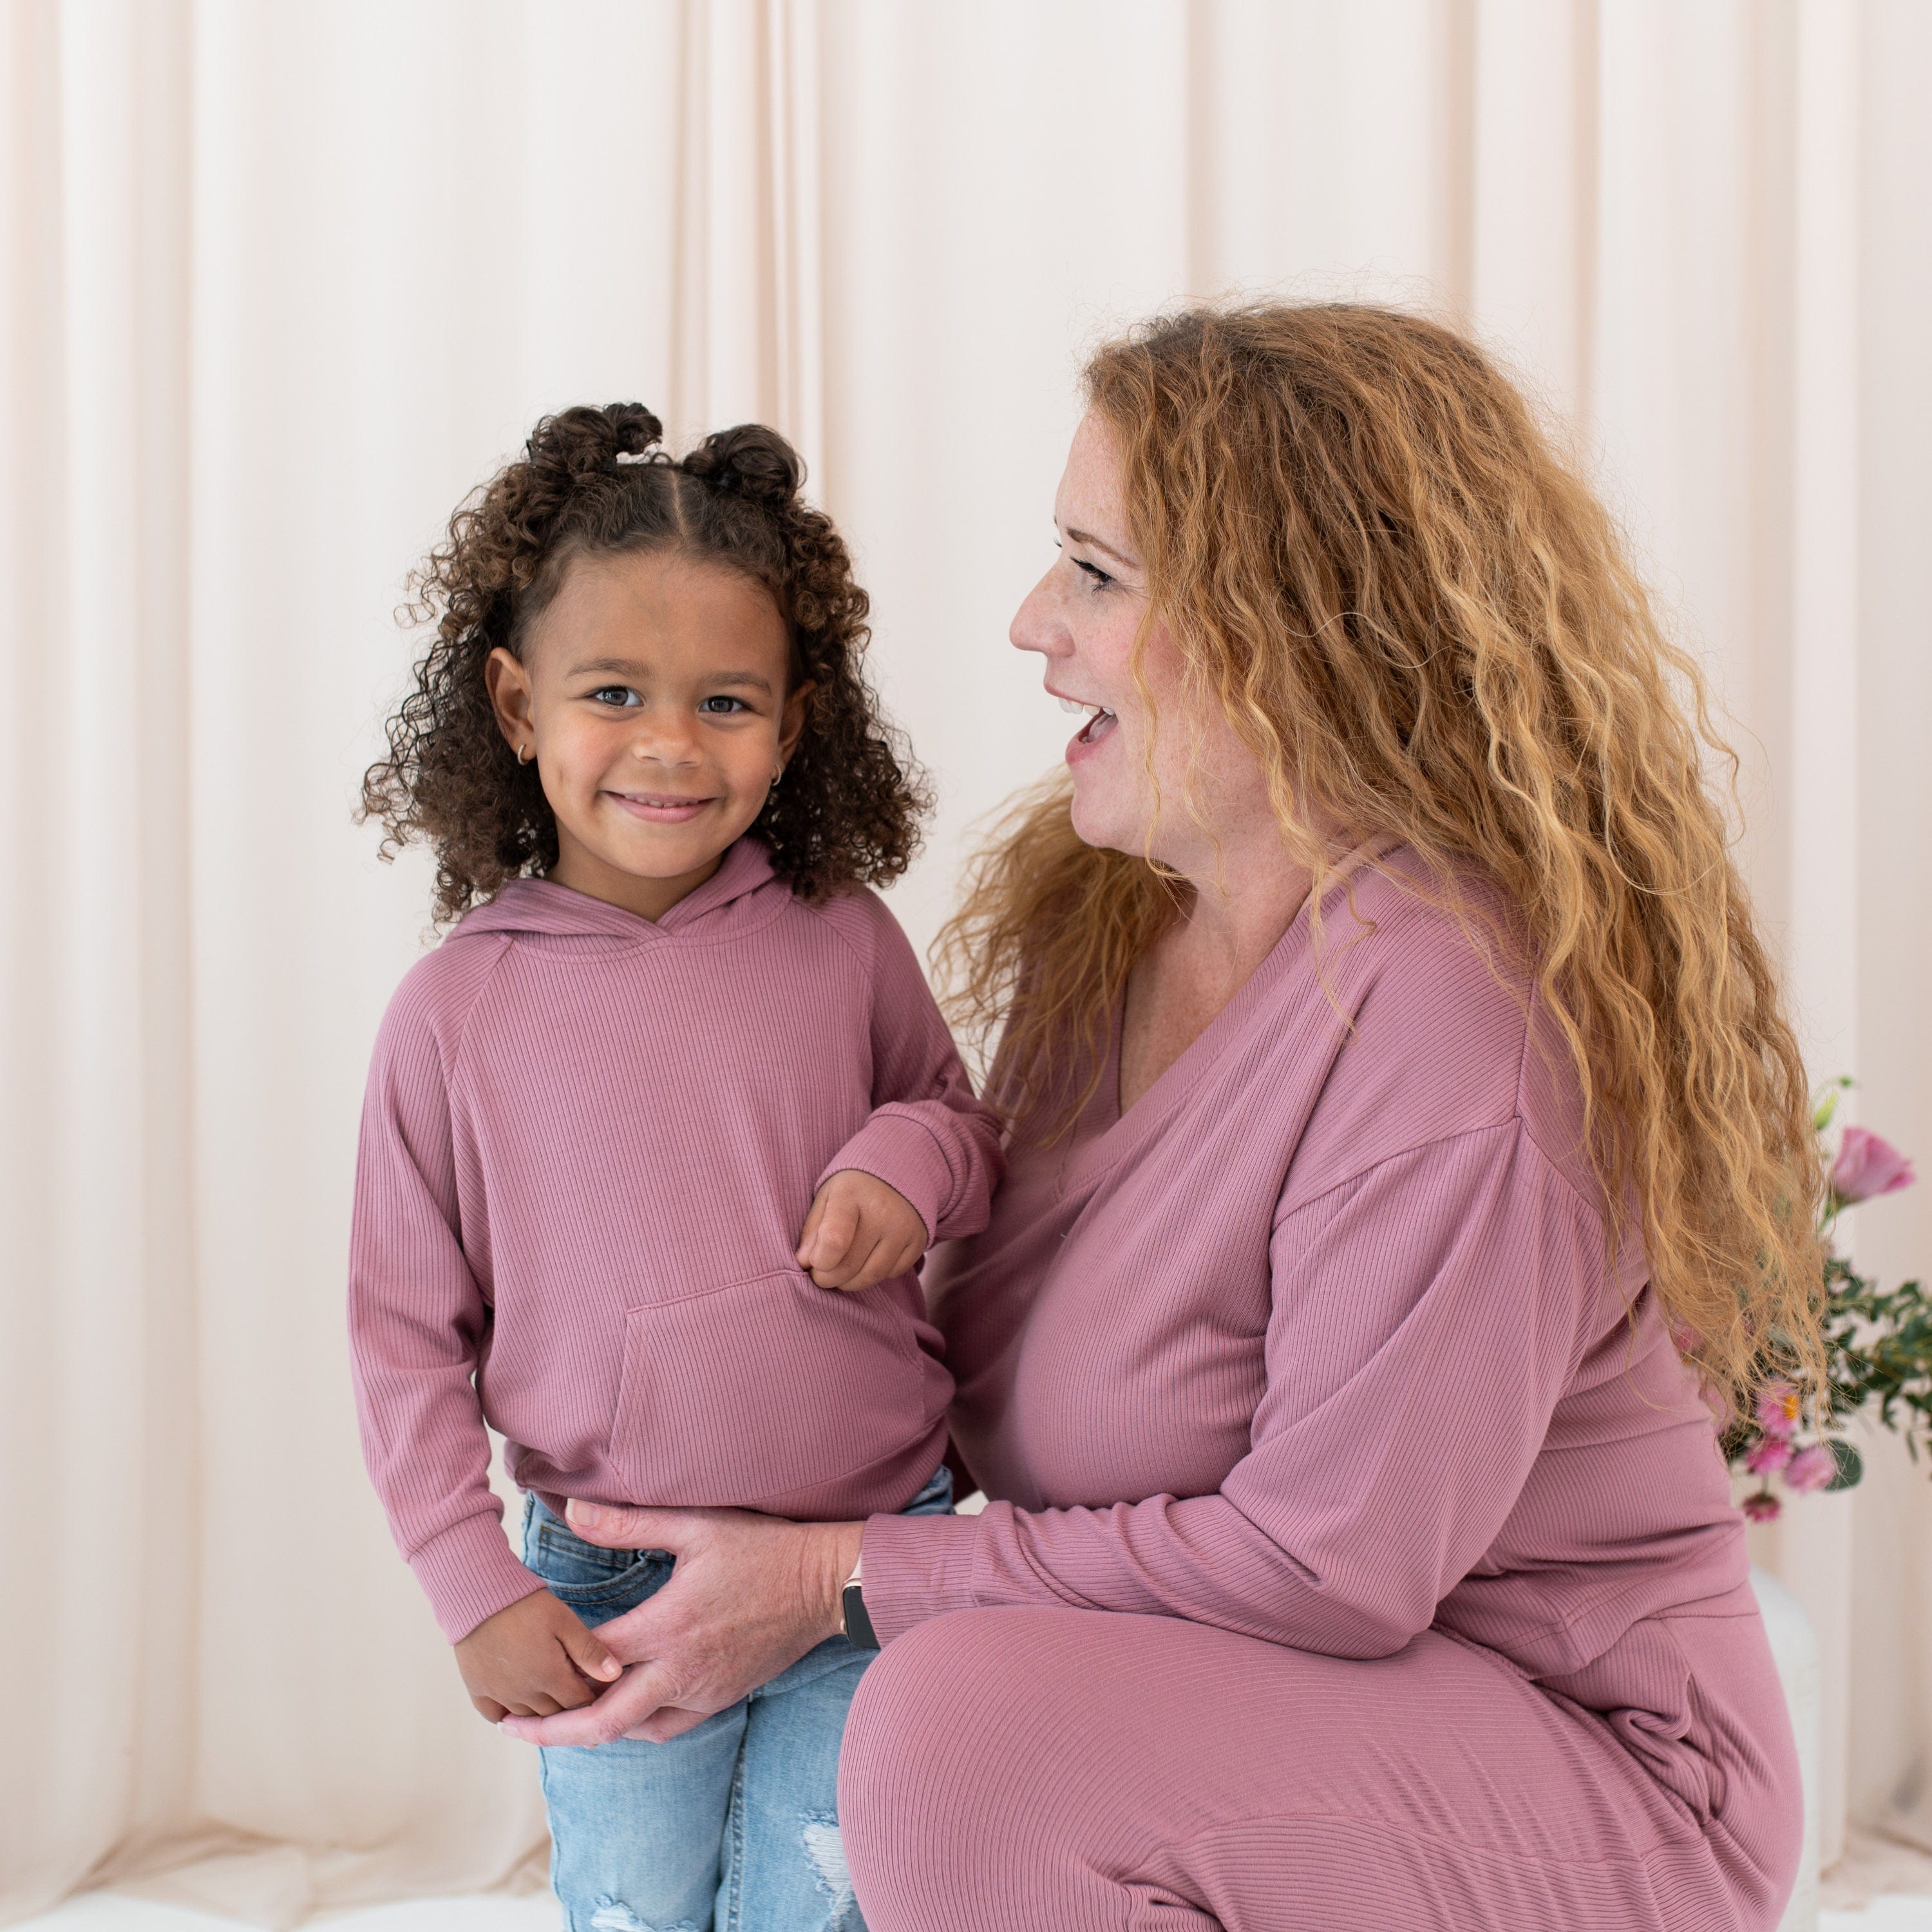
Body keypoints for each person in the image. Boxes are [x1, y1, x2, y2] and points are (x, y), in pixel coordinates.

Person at [504, 307, 1819, 1932]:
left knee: (958, 1732)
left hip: (1594, 1793)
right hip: (1272, 1733)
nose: (1030, 624)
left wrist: (837, 1578)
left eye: (1096, 573)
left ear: (1296, 628)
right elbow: (980, 1378)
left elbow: (1330, 1564)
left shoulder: (1463, 1022)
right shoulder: (1111, 923)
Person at [349, 404, 1001, 1932]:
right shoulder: (454, 1012)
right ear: (517, 705)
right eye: (613, 693)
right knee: (640, 1905)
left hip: (868, 1555)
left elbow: (956, 1113)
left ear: (793, 722)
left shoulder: (841, 937)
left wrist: (906, 1167)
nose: (667, 744)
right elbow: (398, 1338)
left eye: (724, 702)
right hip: (608, 1577)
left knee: (821, 1903)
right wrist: (472, 1584)